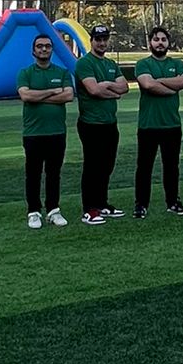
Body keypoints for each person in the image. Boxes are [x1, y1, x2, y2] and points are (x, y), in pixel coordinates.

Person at [73, 22, 130, 225]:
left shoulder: (110, 64)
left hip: (109, 122)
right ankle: (89, 209)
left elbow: (124, 87)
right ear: (92, 40)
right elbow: (94, 90)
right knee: (92, 166)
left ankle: (101, 203)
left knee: (107, 165)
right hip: (91, 123)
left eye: (105, 39)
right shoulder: (85, 63)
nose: (102, 43)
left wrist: (106, 85)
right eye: (98, 39)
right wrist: (110, 90)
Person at [16, 32, 74, 228]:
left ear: (52, 49)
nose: (43, 49)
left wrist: (38, 97)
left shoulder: (62, 72)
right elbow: (26, 96)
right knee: (33, 174)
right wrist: (52, 92)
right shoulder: (26, 73)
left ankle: (53, 210)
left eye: (47, 46)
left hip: (56, 132)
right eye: (39, 46)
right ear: (33, 50)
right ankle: (33, 211)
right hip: (33, 133)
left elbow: (68, 96)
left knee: (53, 173)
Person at [133, 24, 183, 216]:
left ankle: (173, 202)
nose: (160, 43)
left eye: (163, 40)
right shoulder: (143, 64)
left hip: (172, 125)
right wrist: (170, 87)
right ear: (150, 42)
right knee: (144, 167)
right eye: (156, 39)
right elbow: (147, 84)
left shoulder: (178, 63)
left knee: (172, 166)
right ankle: (141, 204)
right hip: (148, 125)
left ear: (168, 43)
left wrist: (158, 82)